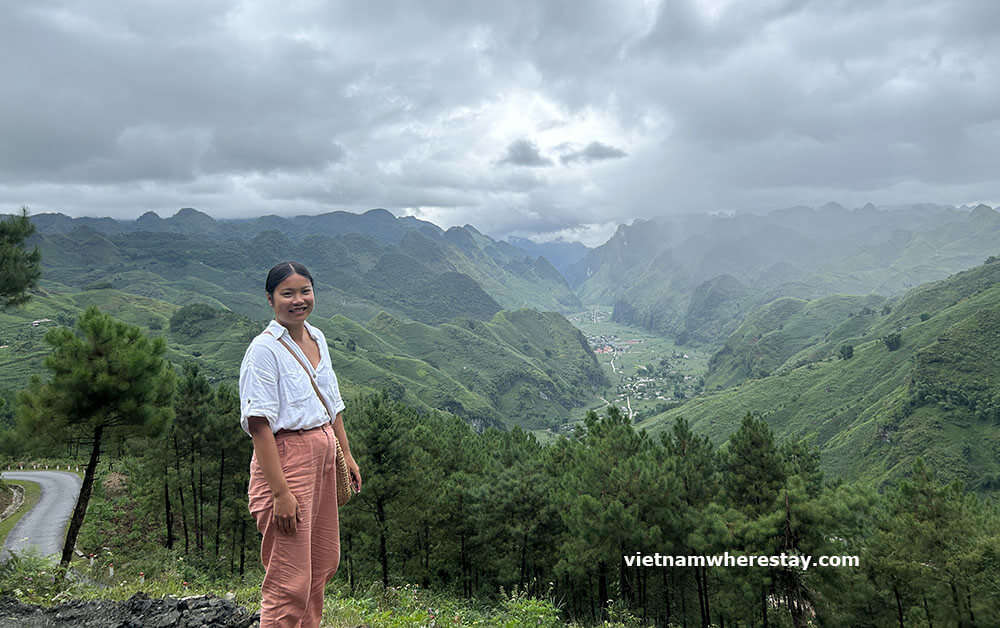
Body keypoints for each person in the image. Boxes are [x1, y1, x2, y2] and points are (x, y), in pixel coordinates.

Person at [239, 261, 362, 628]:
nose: (298, 300)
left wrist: (348, 454)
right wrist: (280, 494)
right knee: (289, 579)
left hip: (324, 455)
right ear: (270, 298)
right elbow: (260, 426)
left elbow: (332, 404)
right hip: (287, 462)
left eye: (304, 291)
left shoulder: (316, 337)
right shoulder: (263, 351)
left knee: (323, 562)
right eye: (287, 293)